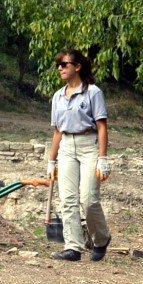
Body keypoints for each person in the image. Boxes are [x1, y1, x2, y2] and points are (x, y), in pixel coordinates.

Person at [46, 49, 112, 262]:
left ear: (77, 66)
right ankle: (73, 247)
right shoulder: (58, 96)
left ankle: (101, 239)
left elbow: (102, 126)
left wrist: (103, 158)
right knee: (67, 199)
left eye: (64, 64)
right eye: (59, 64)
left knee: (88, 198)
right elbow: (57, 131)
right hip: (66, 146)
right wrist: (51, 160)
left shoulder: (93, 92)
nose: (60, 68)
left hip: (88, 144)